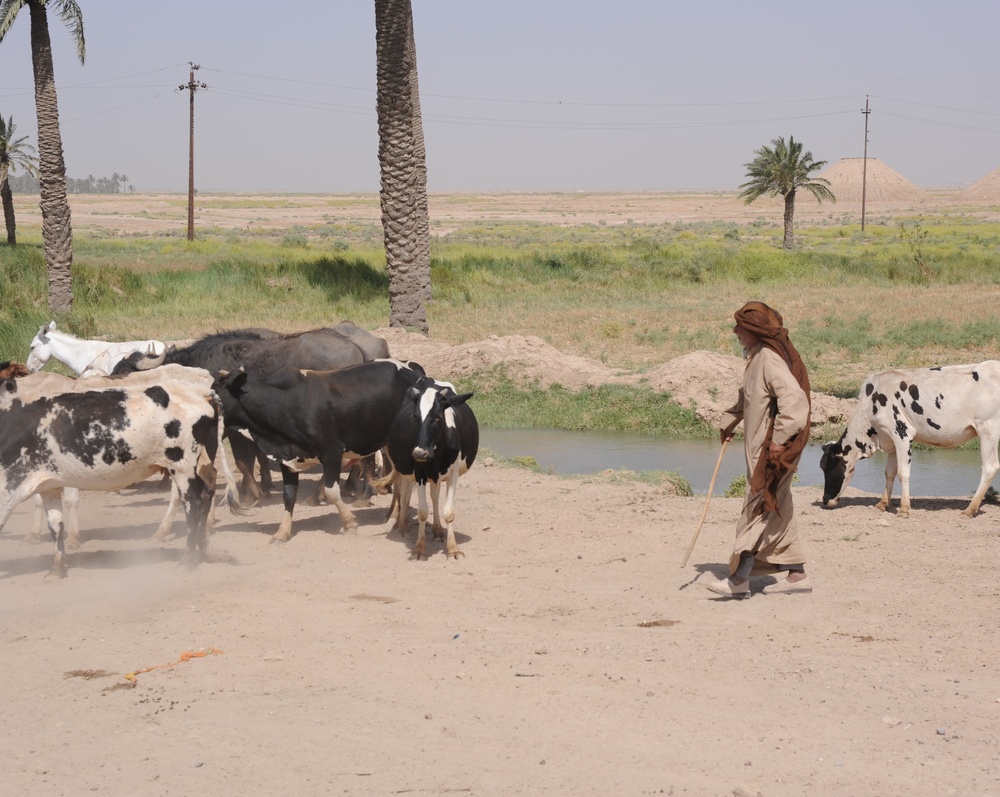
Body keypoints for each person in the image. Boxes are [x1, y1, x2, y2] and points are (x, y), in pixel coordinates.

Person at [705, 301, 813, 599]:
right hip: (759, 449)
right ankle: (797, 575)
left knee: (759, 506)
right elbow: (748, 396)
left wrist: (778, 440)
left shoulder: (769, 359)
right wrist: (729, 421)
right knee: (778, 507)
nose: (735, 331)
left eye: (741, 327)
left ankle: (739, 578)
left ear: (754, 331)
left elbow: (795, 404)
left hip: (774, 452)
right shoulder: (756, 358)